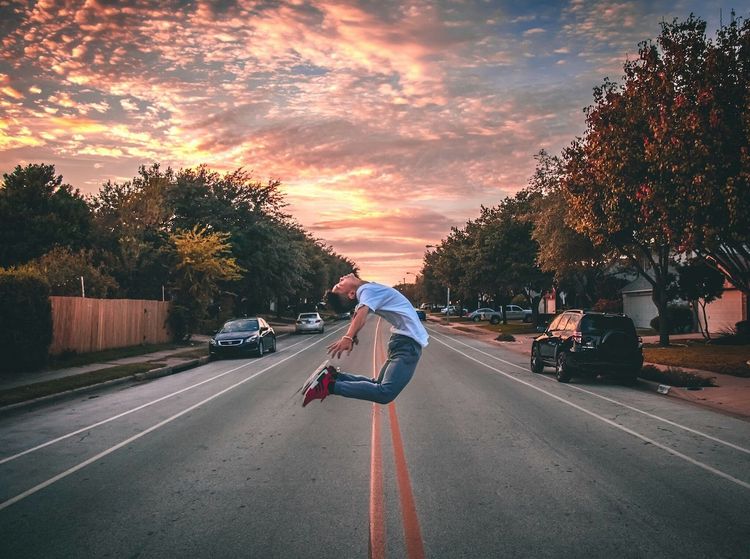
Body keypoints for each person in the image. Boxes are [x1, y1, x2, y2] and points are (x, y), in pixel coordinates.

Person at [302, 273, 429, 407]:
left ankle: (334, 377)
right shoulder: (366, 291)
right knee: (385, 393)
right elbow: (361, 314)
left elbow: (357, 313)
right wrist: (348, 337)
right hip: (408, 344)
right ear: (351, 294)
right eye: (340, 285)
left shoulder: (367, 290)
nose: (340, 278)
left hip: (402, 341)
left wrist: (353, 336)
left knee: (378, 385)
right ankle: (329, 386)